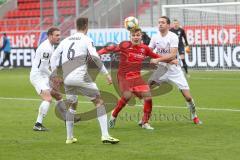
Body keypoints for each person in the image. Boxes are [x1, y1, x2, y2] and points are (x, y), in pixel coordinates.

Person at [50, 17, 119, 144]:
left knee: (72, 105)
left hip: (67, 78)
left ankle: (69, 138)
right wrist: (106, 74)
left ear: (76, 26)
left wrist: (55, 76)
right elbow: (95, 57)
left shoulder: (66, 40)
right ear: (86, 25)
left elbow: (54, 57)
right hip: (80, 76)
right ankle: (105, 135)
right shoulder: (86, 39)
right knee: (99, 102)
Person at [98, 28, 177, 130]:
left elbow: (156, 56)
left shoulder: (145, 48)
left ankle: (145, 122)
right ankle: (114, 115)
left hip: (136, 77)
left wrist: (170, 61)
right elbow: (109, 49)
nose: (136, 37)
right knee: (127, 96)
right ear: (130, 36)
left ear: (141, 36)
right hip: (123, 76)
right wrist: (97, 53)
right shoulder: (124, 46)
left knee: (148, 97)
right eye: (134, 35)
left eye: (138, 35)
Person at [149, 16, 201, 124]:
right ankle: (145, 119)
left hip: (175, 71)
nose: (160, 24)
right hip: (161, 69)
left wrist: (157, 59)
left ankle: (194, 115)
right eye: (159, 22)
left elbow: (172, 55)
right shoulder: (155, 37)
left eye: (162, 22)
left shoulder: (173, 37)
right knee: (146, 89)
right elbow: (149, 51)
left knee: (187, 97)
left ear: (168, 25)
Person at [30, 27, 63, 131]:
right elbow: (42, 67)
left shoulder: (50, 46)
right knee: (47, 98)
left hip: (43, 75)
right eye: (56, 35)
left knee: (58, 95)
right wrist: (54, 77)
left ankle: (67, 118)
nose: (59, 37)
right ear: (50, 36)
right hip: (37, 76)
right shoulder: (46, 48)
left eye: (59, 35)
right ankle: (38, 124)